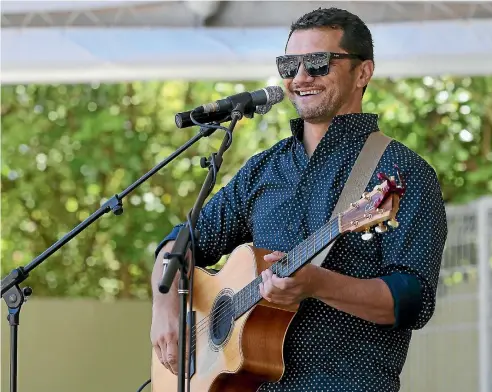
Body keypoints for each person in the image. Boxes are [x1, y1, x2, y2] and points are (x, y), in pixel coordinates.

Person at [150, 7, 447, 392]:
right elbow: (179, 245)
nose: (300, 77)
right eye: (289, 65)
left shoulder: (399, 173)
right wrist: (165, 308)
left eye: (319, 63)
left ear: (363, 72)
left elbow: (412, 301)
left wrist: (317, 284)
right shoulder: (263, 170)